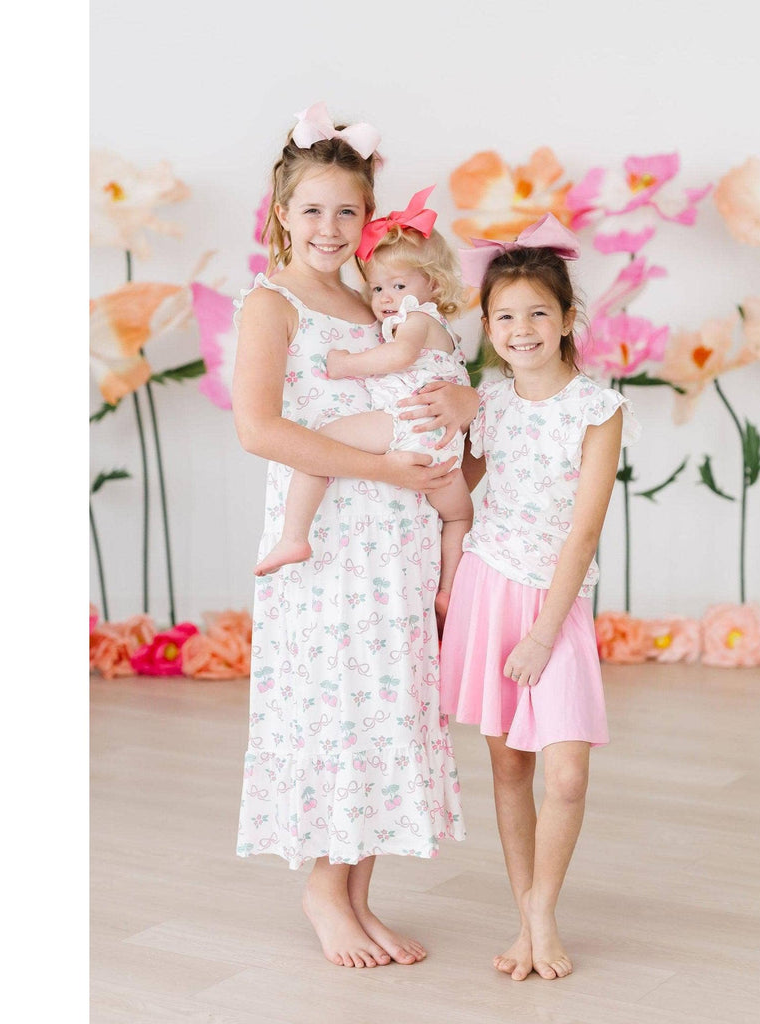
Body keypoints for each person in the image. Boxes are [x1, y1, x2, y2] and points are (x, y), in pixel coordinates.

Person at [232, 102, 473, 970]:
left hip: (395, 533)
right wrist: (376, 470)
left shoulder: (379, 299)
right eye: (313, 211)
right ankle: (322, 892)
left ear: (369, 219)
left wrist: (459, 412)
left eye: (348, 211)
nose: (331, 228)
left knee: (383, 705)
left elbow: (435, 376)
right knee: (337, 705)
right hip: (330, 536)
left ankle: (360, 894)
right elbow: (259, 429)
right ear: (281, 215)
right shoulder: (274, 304)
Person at [439, 214, 642, 982]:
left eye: (537, 314)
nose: (520, 329)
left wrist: (543, 633)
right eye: (504, 316)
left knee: (565, 774)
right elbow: (457, 489)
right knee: (509, 770)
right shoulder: (486, 403)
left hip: (553, 608)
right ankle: (527, 921)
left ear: (565, 322)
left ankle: (542, 911)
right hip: (489, 591)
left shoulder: (599, 408)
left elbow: (583, 534)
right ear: (487, 326)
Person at [254, 186, 473, 633]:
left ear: (432, 283)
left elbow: (398, 358)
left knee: (319, 443)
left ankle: (294, 536)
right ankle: (450, 587)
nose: (386, 296)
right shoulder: (424, 323)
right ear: (283, 214)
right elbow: (256, 429)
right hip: (431, 450)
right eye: (377, 287)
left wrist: (346, 364)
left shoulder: (412, 321)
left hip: (404, 427)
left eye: (398, 285)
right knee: (460, 514)